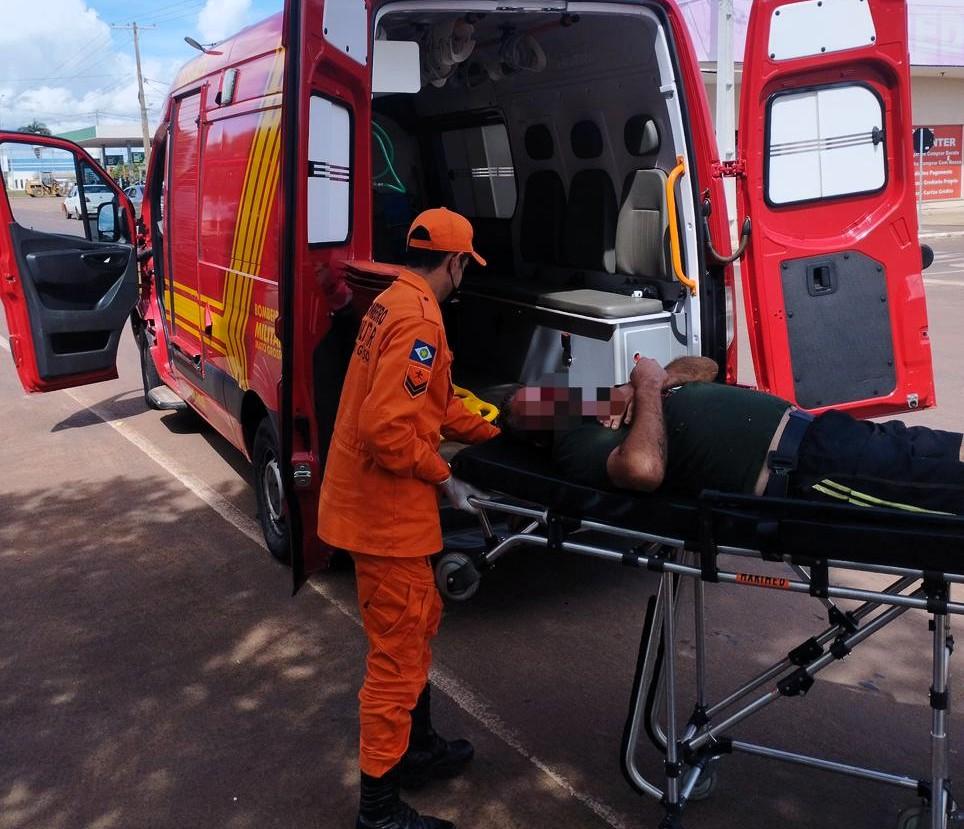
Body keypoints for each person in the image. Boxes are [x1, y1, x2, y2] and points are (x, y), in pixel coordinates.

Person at [317, 207, 500, 829]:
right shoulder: (420, 319)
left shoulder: (393, 301)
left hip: (376, 508)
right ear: (454, 262)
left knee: (415, 629)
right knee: (396, 661)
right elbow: (390, 432)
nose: (463, 277)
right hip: (383, 515)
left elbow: (432, 402)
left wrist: (498, 426)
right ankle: (380, 813)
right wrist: (448, 480)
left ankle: (416, 750)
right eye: (465, 267)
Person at [501, 356, 964, 514]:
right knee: (942, 488)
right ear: (535, 428)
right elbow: (643, 470)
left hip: (822, 433)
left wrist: (642, 384)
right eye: (529, 402)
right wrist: (645, 384)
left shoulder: (615, 399)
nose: (544, 394)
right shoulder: (576, 442)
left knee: (940, 449)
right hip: (810, 471)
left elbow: (704, 367)